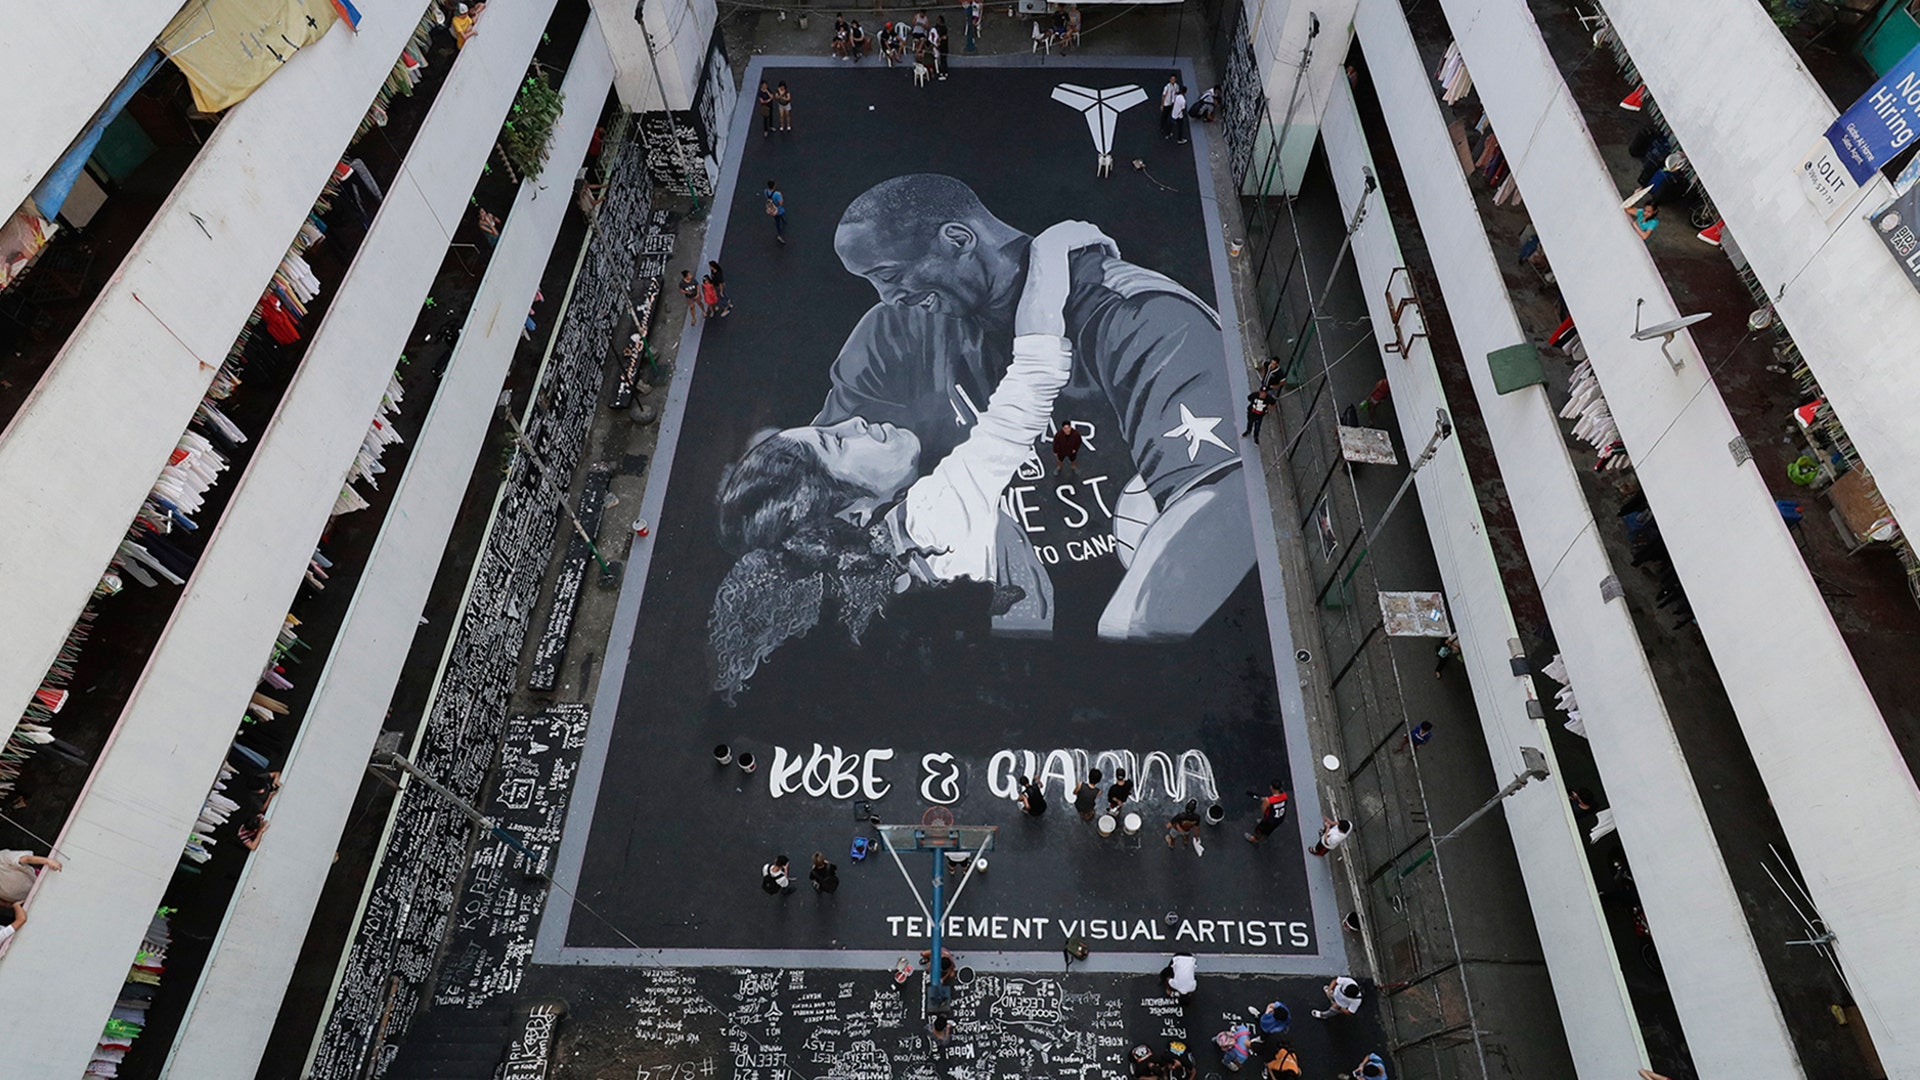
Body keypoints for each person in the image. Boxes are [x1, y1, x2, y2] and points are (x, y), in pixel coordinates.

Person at [818, 175, 1252, 642]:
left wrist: (1127, 643)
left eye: (889, 276)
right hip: (985, 637)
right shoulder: (890, 333)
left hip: (1114, 612)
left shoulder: (1139, 314)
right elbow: (817, 485)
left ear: (958, 240)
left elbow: (1225, 497)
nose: (888, 298)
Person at [706, 223, 1113, 698]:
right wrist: (1054, 245)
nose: (853, 424)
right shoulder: (932, 516)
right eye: (836, 443)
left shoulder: (852, 597)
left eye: (827, 427)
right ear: (853, 514)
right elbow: (1033, 378)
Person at [765, 180, 786, 246]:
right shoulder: (777, 194)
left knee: (777, 219)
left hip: (772, 208)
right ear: (774, 185)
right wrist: (781, 196)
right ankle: (780, 235)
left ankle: (782, 222)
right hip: (778, 210)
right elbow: (781, 203)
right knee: (780, 217)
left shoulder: (766, 192)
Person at [1160, 73, 1180, 139]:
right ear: (1170, 80)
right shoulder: (1167, 87)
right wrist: (1162, 105)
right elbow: (1163, 96)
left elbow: (1176, 93)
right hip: (1167, 103)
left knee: (1170, 115)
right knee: (1164, 116)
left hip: (1172, 103)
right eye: (1172, 79)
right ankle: (1162, 127)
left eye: (1174, 79)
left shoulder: (1176, 86)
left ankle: (1168, 127)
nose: (1173, 81)